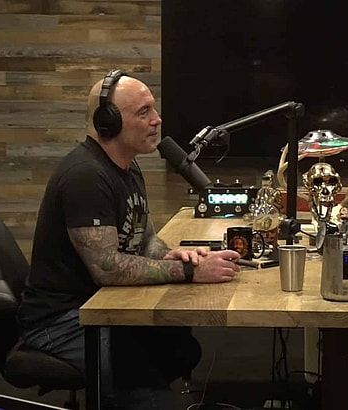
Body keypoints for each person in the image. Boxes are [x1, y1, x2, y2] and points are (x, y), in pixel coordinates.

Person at [17, 69, 242, 409]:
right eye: (143, 112)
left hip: (102, 307)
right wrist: (191, 272)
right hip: (63, 320)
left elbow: (144, 238)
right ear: (107, 122)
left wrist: (171, 255)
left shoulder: (128, 167)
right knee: (148, 392)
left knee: (181, 348)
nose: (157, 119)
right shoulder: (85, 177)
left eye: (154, 109)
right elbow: (107, 268)